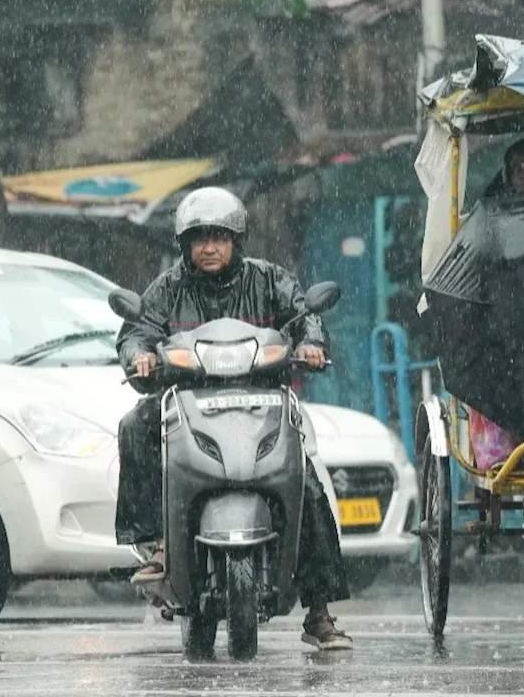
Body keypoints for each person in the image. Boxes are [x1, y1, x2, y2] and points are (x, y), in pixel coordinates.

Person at [114, 187, 353, 650]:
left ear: (236, 241)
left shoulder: (269, 280)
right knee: (135, 426)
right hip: (186, 400)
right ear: (185, 244)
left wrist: (311, 343)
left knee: (306, 488)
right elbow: (137, 332)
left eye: (219, 237)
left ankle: (319, 611)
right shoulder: (167, 287)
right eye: (200, 238)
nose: (209, 248)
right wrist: (139, 355)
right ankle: (155, 543)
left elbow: (305, 315)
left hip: (261, 402)